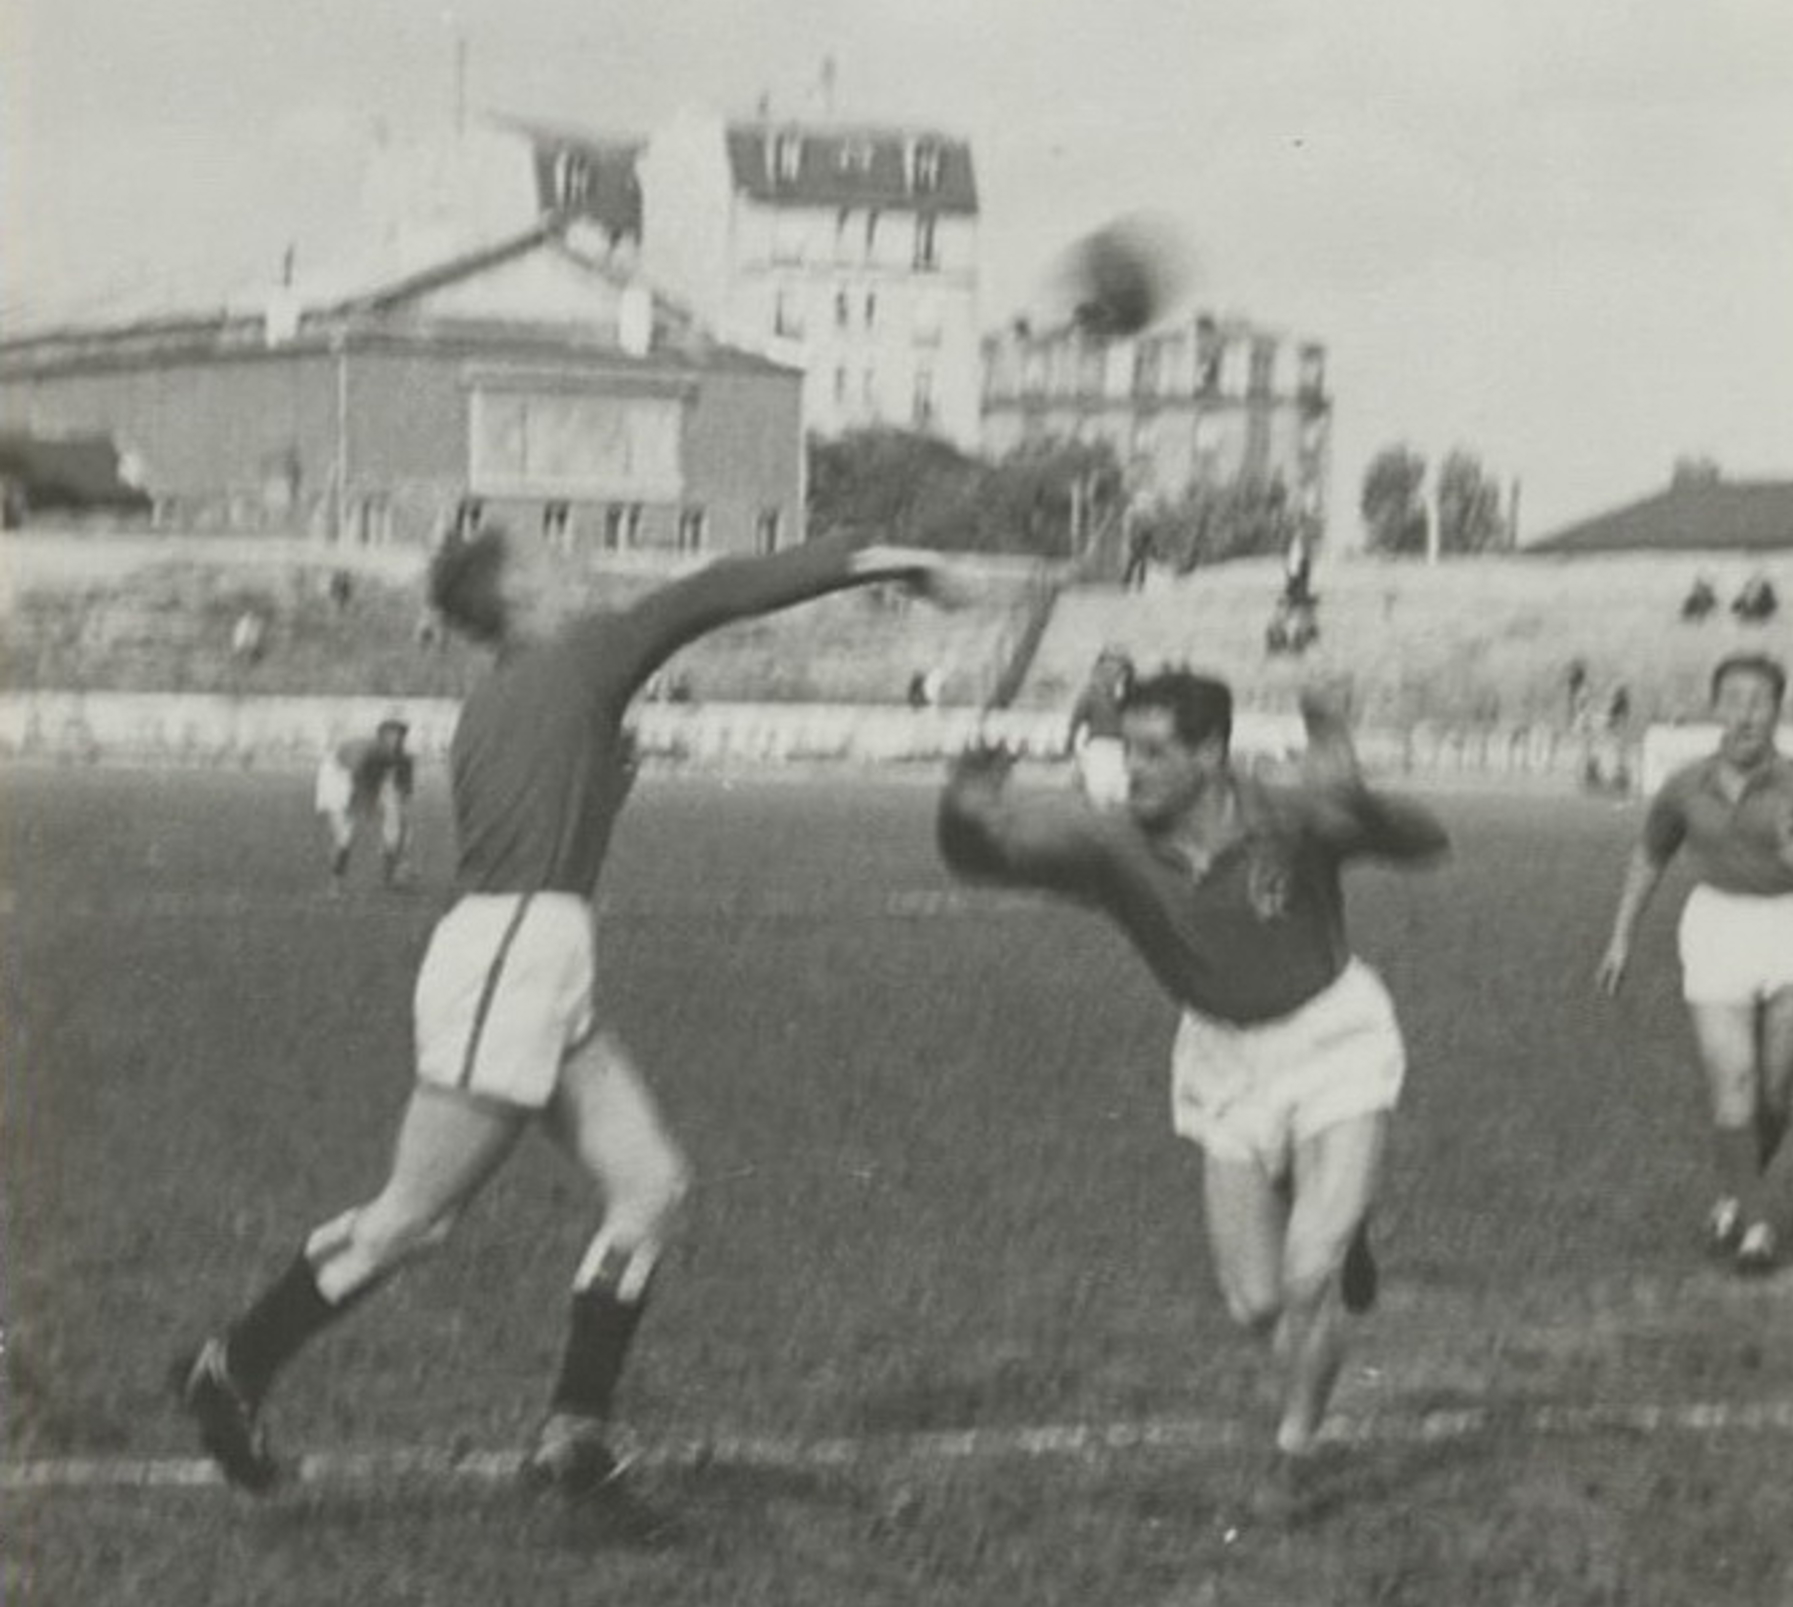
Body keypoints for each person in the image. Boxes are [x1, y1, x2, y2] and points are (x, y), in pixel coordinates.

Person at [175, 522, 944, 1497]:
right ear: (519, 597)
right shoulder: (577, 656)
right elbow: (714, 590)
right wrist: (880, 558)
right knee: (413, 1220)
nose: (573, 567)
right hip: (514, 958)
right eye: (548, 560)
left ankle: (573, 1432)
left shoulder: (506, 695)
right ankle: (234, 1366)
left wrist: (605, 784)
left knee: (650, 1187)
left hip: (537, 958)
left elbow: (558, 825)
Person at [938, 670, 1450, 1463]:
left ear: (1210, 753)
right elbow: (983, 858)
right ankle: (1332, 1231)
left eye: (1154, 753)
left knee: (1308, 1274)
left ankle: (1296, 1448)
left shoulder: (1287, 815)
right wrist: (961, 804)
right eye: (1128, 751)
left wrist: (1361, 800)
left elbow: (1426, 842)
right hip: (1222, 1061)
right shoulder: (1110, 843)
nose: (1133, 770)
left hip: (1333, 1042)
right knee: (1257, 1305)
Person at [1597, 652, 1793, 1274]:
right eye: (1733, 700)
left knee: (1773, 1100)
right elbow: (1649, 857)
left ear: (1778, 710)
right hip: (1718, 928)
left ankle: (1734, 1193)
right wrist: (1621, 939)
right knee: (1737, 1085)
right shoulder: (1685, 786)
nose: (1746, 714)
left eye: (1759, 701)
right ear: (1715, 707)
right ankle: (1756, 1229)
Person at [315, 717, 417, 888]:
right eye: (391, 735)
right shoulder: (365, 753)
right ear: (381, 737)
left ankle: (390, 870)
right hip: (336, 773)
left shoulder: (403, 759)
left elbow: (404, 794)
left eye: (400, 735)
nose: (396, 740)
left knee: (397, 820)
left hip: (366, 776)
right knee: (345, 835)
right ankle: (336, 881)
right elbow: (358, 780)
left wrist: (398, 817)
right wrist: (367, 803)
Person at [1067, 648, 1134, 807]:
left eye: (1119, 671)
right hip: (1099, 748)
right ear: (1099, 670)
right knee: (1099, 796)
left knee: (1121, 798)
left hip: (1120, 750)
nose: (1114, 674)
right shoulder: (1090, 693)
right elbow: (1075, 722)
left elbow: (1132, 725)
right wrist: (1071, 746)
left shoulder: (1126, 695)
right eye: (1108, 669)